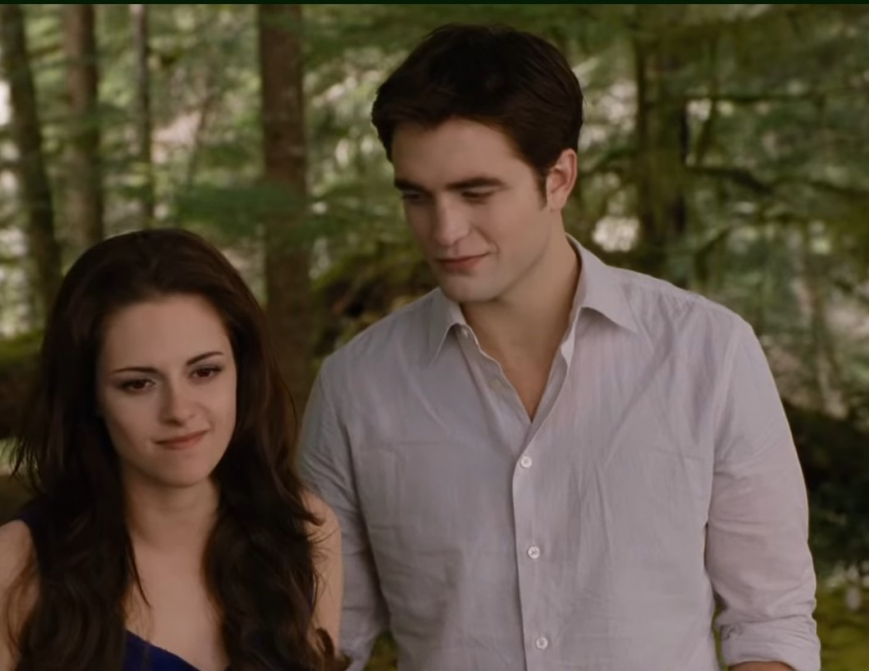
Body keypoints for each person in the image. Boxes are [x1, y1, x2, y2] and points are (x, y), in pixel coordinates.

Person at [299, 23, 820, 671]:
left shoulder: (709, 355)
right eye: (417, 196)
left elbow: (770, 622)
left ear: (559, 178)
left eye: (476, 192)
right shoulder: (355, 389)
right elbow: (329, 640)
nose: (445, 230)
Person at [0, 228, 346, 671]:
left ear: (242, 371)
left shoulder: (304, 534)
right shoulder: (8, 572)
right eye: (138, 383)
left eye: (205, 372)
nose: (179, 411)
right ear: (89, 395)